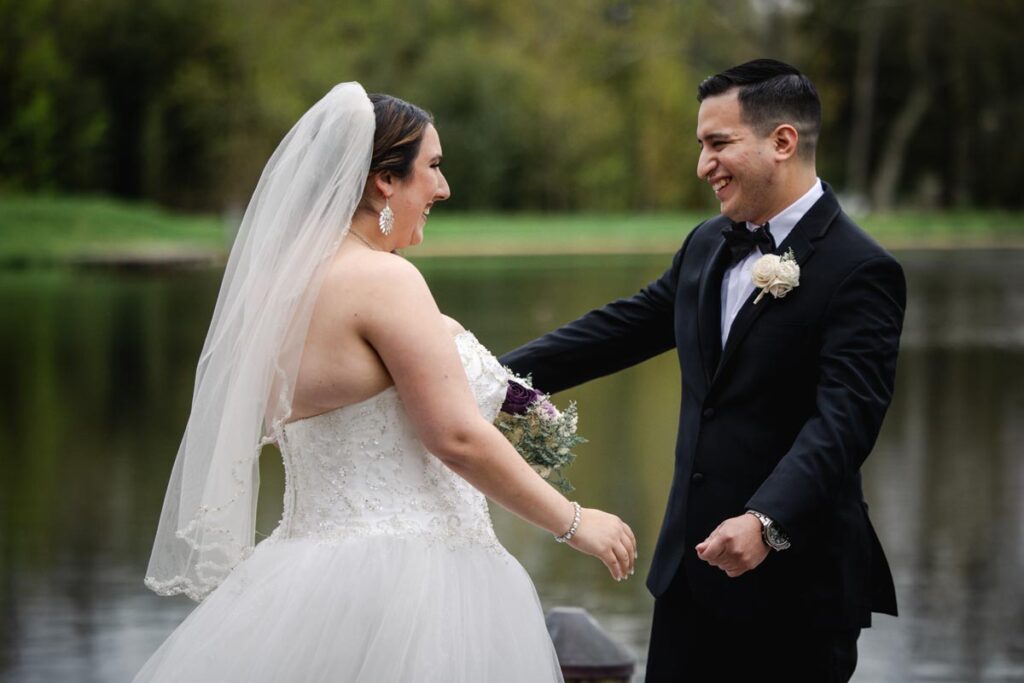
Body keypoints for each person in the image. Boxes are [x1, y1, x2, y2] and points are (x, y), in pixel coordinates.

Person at [135, 83, 636, 682]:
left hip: (302, 577)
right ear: (384, 182)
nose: (443, 188)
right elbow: (455, 436)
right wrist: (574, 522)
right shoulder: (384, 281)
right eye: (433, 166)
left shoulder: (277, 297)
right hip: (415, 579)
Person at [500, 59, 905, 682]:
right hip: (687, 579)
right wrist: (478, 377)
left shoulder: (861, 270)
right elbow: (618, 331)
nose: (702, 165)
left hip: (797, 590)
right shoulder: (708, 243)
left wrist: (766, 522)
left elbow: (844, 423)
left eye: (719, 144)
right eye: (700, 145)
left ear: (782, 141)